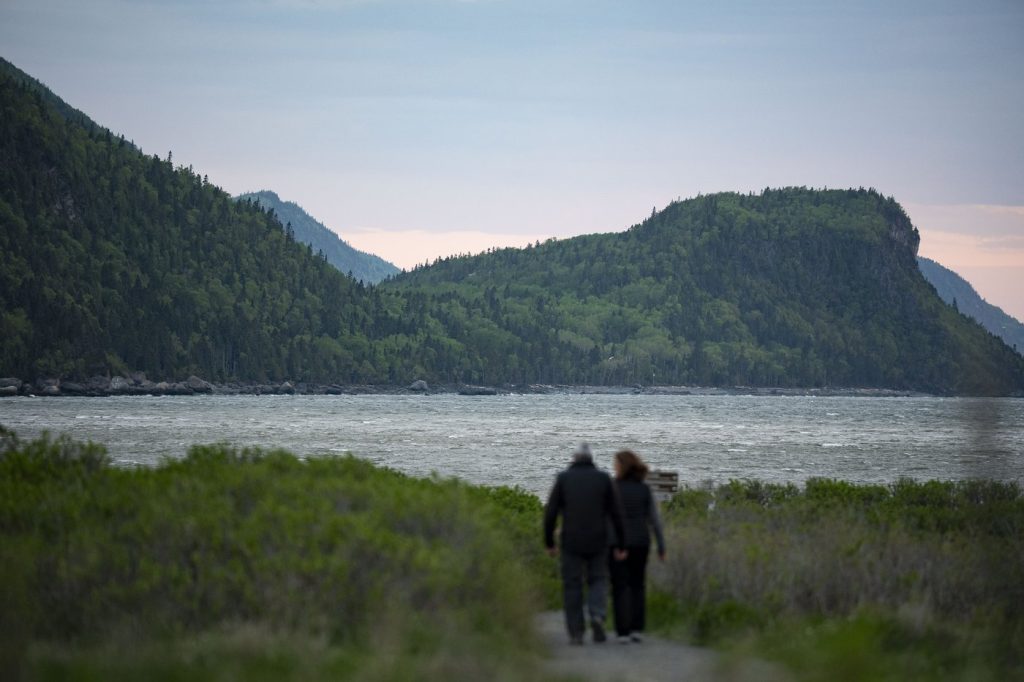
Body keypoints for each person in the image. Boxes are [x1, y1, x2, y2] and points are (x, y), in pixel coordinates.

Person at [544, 442, 627, 645]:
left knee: (572, 584)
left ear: (574, 459)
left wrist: (549, 542)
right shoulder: (603, 478)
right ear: (592, 459)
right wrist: (621, 543)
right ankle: (597, 615)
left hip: (571, 540)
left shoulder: (563, 478)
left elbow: (551, 512)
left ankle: (576, 631)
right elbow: (617, 513)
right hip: (599, 539)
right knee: (598, 579)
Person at [608, 449, 666, 644]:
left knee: (619, 586)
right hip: (641, 542)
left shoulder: (613, 487)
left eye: (616, 464)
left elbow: (607, 517)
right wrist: (661, 546)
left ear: (621, 466)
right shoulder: (644, 489)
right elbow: (655, 520)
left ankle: (622, 630)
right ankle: (637, 628)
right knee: (638, 585)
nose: (614, 467)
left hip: (618, 543)